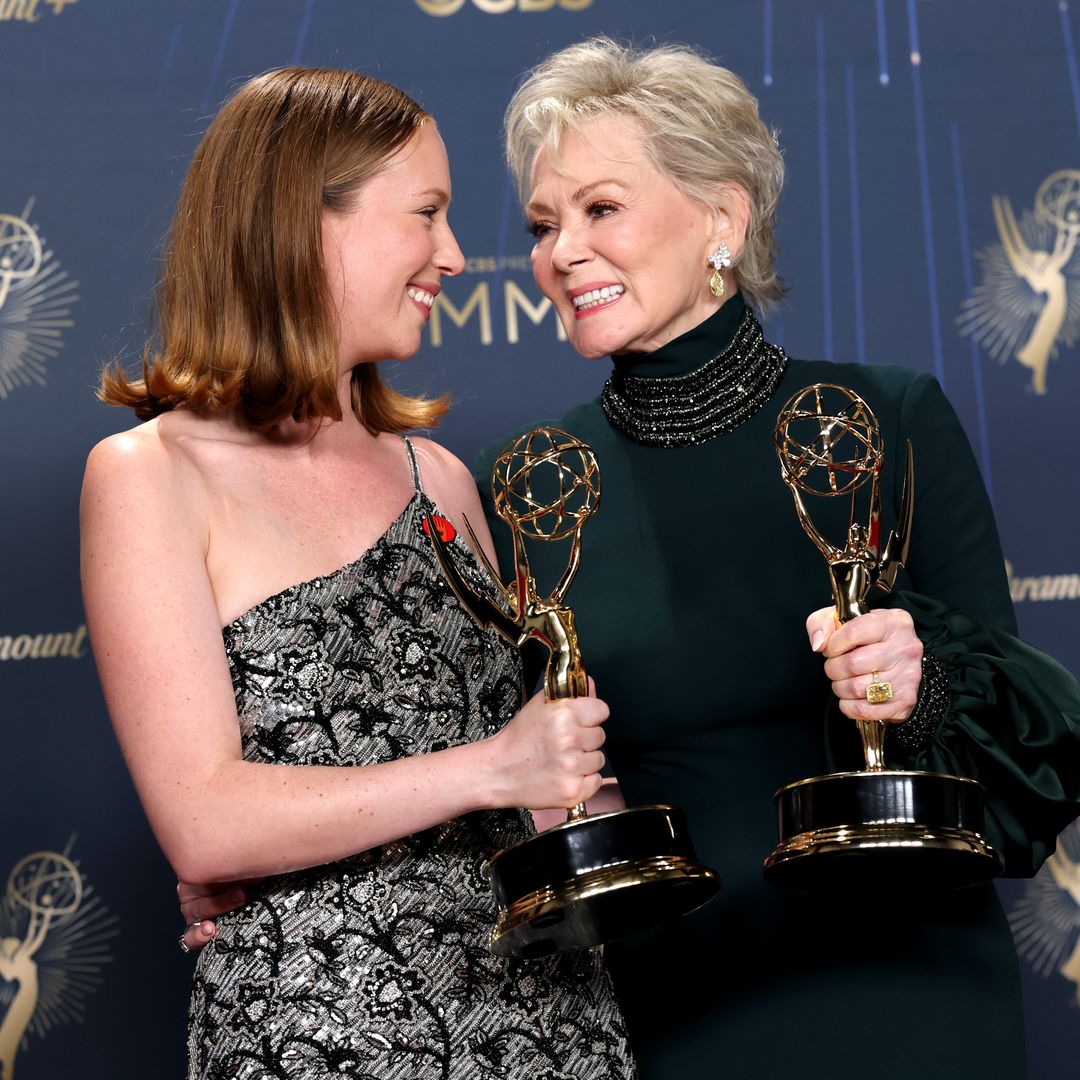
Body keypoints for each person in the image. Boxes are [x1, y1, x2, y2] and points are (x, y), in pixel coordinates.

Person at [178, 40, 1080, 1079]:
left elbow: (1033, 754)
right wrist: (253, 875)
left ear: (722, 219)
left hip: (907, 988)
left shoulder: (884, 418)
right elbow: (490, 763)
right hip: (672, 1004)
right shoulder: (527, 483)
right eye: (544, 225)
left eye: (600, 210)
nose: (560, 252)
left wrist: (920, 687)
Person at [80, 66, 637, 1080]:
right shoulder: (150, 477)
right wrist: (492, 767)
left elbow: (536, 800)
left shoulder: (442, 478)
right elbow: (204, 825)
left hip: (549, 1028)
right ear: (307, 223)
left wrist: (567, 773)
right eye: (426, 214)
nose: (457, 257)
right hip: (321, 1039)